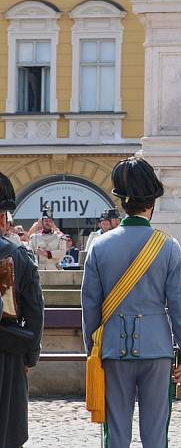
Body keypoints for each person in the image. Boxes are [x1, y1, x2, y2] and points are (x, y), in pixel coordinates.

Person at [81, 156, 181, 448]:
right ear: (151, 203)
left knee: (116, 433)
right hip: (157, 348)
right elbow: (178, 305)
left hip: (112, 350)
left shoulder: (99, 245)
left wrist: (93, 349)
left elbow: (90, 305)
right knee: (156, 434)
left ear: (121, 203)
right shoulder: (168, 246)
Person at [0, 171, 44, 448]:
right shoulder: (17, 255)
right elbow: (35, 310)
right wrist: (30, 356)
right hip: (6, 351)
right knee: (7, 429)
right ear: (3, 218)